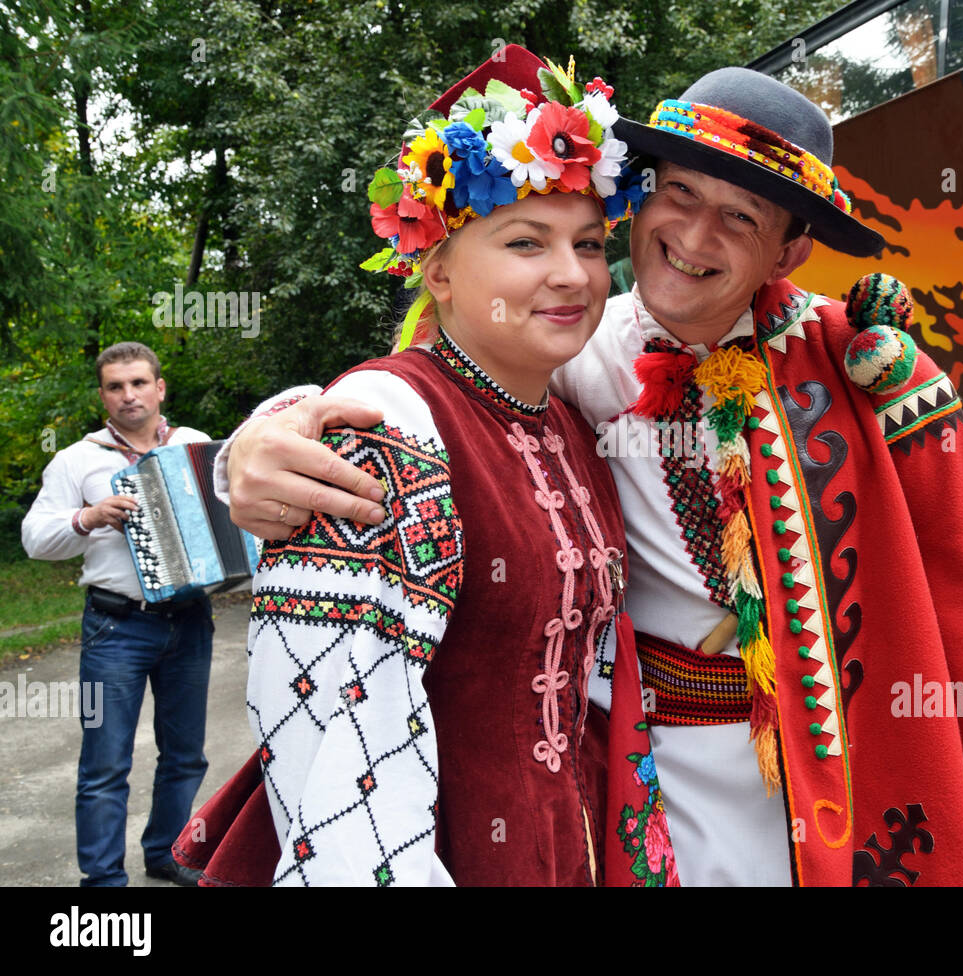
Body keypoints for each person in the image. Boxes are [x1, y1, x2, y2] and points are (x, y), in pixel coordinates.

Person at [218, 66, 963, 886]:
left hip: (837, 776)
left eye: (740, 215)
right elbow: (431, 394)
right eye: (681, 195)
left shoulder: (864, 370)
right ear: (644, 196)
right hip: (635, 776)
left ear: (790, 249)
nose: (694, 237)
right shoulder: (581, 347)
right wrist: (257, 440)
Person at [178, 46, 674, 887]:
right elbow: (338, 757)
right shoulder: (387, 424)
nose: (571, 274)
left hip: (570, 841)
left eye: (590, 245)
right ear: (438, 270)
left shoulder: (571, 418)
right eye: (526, 241)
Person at [21, 341, 213, 887]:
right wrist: (88, 516)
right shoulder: (78, 459)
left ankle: (166, 854)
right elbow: (35, 538)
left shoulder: (196, 445)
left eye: (137, 383)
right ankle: (103, 882)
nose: (128, 395)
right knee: (105, 764)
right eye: (115, 386)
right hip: (116, 627)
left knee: (186, 755)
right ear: (103, 395)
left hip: (191, 619)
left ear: (159, 388)